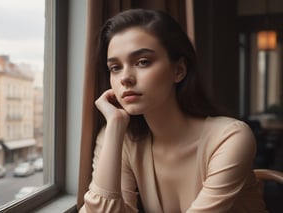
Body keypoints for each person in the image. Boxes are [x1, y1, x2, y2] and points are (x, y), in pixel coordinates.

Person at [79, 8, 267, 213]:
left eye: (142, 62)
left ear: (179, 70)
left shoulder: (229, 137)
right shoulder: (119, 138)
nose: (125, 78)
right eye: (115, 67)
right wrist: (114, 127)